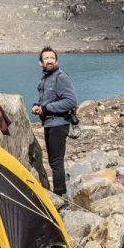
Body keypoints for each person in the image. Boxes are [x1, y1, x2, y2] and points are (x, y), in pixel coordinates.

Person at [31, 46, 77, 198]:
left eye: (52, 58)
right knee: (52, 162)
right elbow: (47, 100)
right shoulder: (45, 79)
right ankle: (60, 193)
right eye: (46, 58)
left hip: (59, 124)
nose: (49, 60)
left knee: (56, 163)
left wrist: (46, 108)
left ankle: (60, 196)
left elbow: (71, 101)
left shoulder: (61, 77)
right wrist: (38, 106)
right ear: (41, 62)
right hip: (49, 123)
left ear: (56, 61)